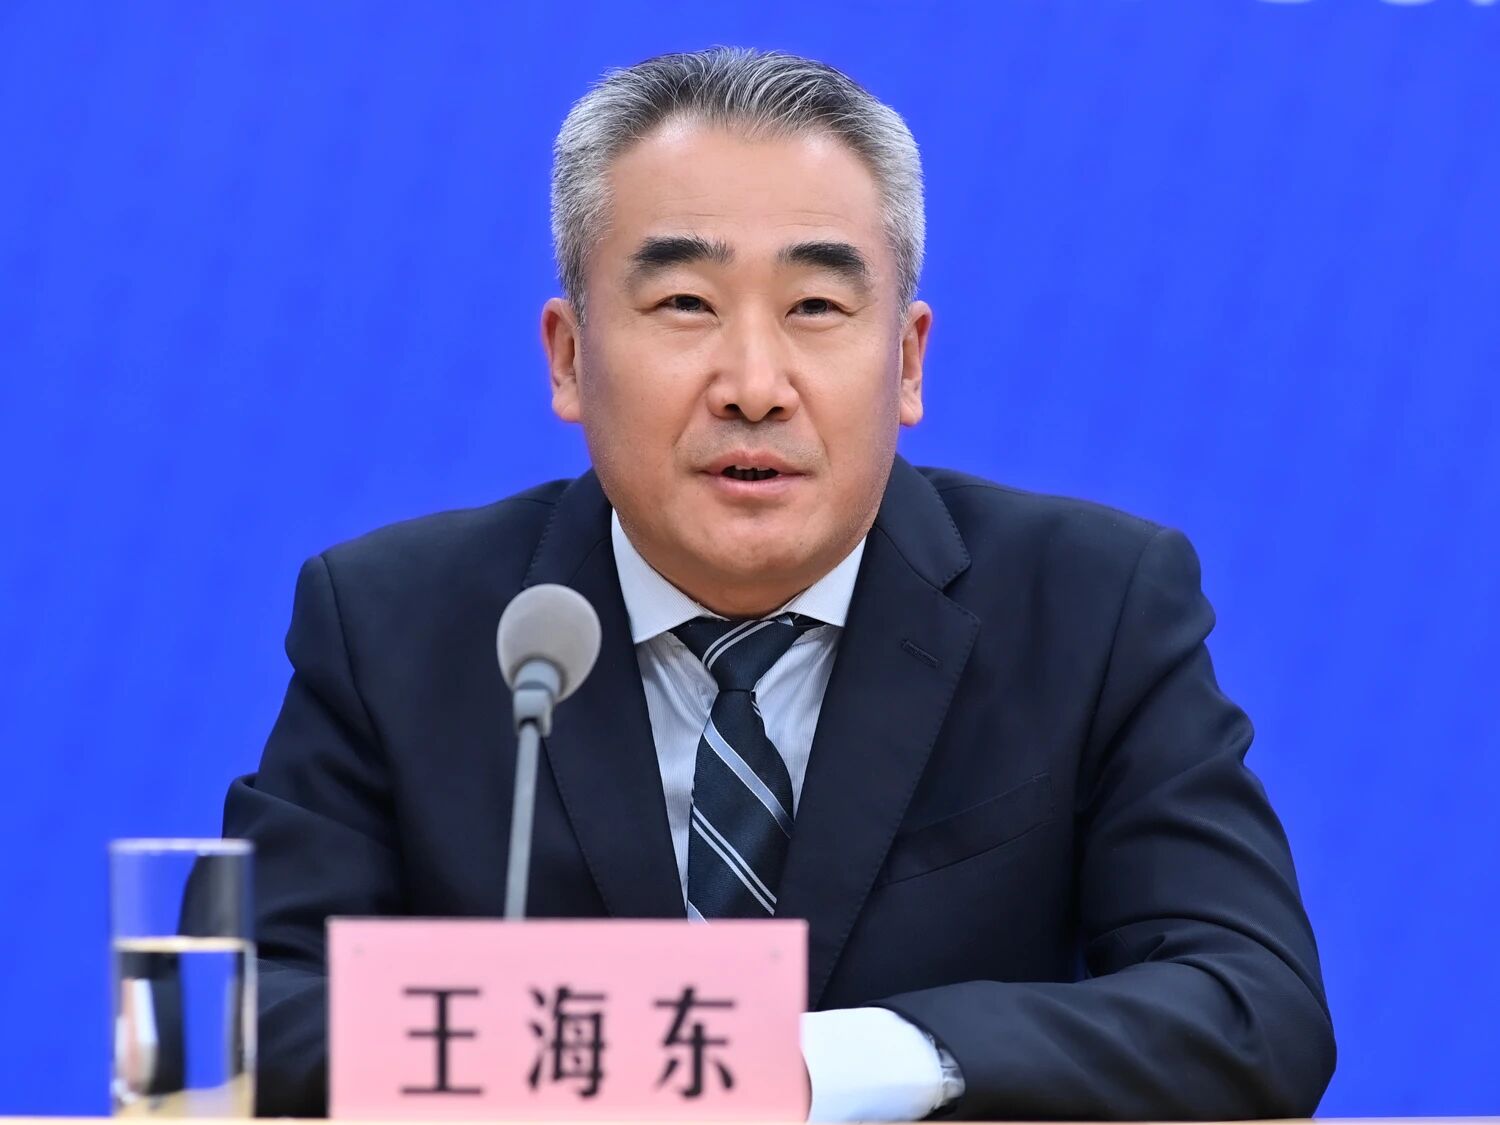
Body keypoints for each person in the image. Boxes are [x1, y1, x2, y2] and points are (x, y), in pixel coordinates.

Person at [224, 47, 1336, 1120]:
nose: (754, 385)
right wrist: (643, 1059)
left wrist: (839, 1065)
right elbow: (235, 1012)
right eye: (685, 304)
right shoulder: (396, 623)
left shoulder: (1091, 607)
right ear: (568, 358)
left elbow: (1252, 1007)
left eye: (815, 308)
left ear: (907, 361)